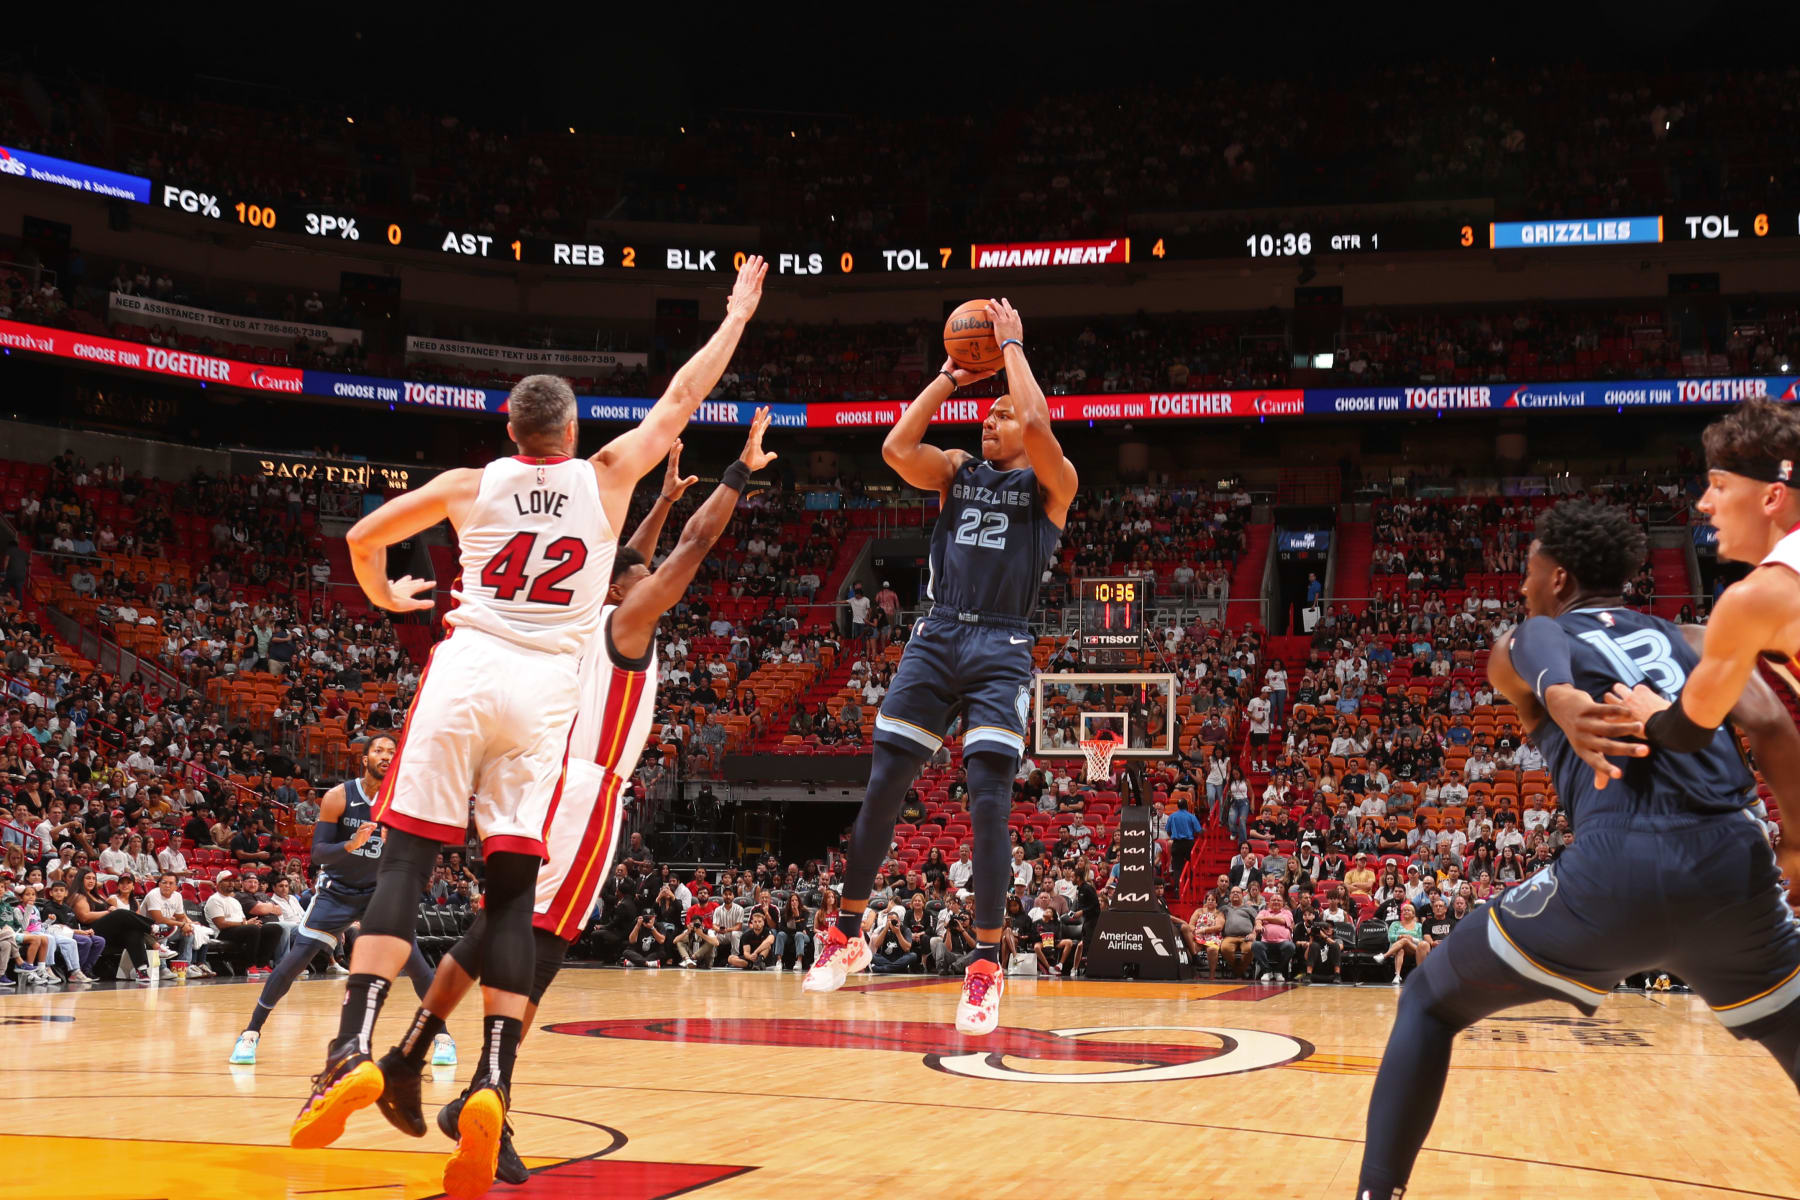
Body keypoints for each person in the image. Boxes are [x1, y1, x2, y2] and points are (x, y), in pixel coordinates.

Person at [288, 256, 767, 1199]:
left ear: (510, 430)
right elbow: (681, 395)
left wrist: (391, 593)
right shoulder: (607, 483)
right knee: (513, 905)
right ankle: (491, 1081)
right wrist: (738, 313)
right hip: (546, 707)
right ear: (574, 429)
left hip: (468, 671)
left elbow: (360, 538)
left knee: (406, 866)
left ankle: (356, 1042)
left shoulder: (472, 482)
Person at [360, 421, 773, 1185]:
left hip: (538, 769)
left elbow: (625, 547)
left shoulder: (576, 611)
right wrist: (736, 477)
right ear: (622, 585)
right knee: (537, 954)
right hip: (582, 791)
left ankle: (410, 1055)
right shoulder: (625, 619)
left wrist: (658, 501)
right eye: (636, 572)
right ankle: (489, 1096)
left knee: (495, 930)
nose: (649, 576)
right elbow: (688, 553)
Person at [1354, 499, 1800, 1200]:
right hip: (1733, 869)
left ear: (1558, 579)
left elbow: (1527, 640)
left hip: (1613, 871)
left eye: (1529, 575)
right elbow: (1774, 727)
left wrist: (1557, 693)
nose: (1523, 588)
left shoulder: (1532, 645)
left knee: (1430, 1002)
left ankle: (1376, 1195)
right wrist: (1797, 846)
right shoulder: (1691, 634)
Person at [803, 299, 1076, 1038]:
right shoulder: (957, 471)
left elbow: (1042, 427)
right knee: (886, 783)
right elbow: (896, 448)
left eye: (1001, 415)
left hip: (1001, 647)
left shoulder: (1052, 486)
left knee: (989, 797)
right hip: (936, 632)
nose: (988, 422)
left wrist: (1013, 347)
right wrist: (948, 380)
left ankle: (984, 968)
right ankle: (846, 931)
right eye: (983, 415)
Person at [229, 736, 439, 1065]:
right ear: (365, 757)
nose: (386, 757)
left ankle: (441, 1037)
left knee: (413, 960)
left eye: (391, 753)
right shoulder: (339, 796)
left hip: (378, 894)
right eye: (379, 751)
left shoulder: (401, 802)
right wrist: (351, 844)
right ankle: (250, 1033)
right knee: (296, 959)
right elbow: (319, 852)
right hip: (336, 890)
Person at [1165, 796, 1201, 885]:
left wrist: (1174, 836)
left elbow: (1168, 830)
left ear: (1178, 806)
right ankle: (1192, 885)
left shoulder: (1172, 816)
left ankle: (1177, 888)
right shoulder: (1191, 816)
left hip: (1177, 843)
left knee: (1177, 867)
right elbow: (1198, 830)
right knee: (1192, 865)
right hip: (1189, 844)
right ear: (1187, 806)